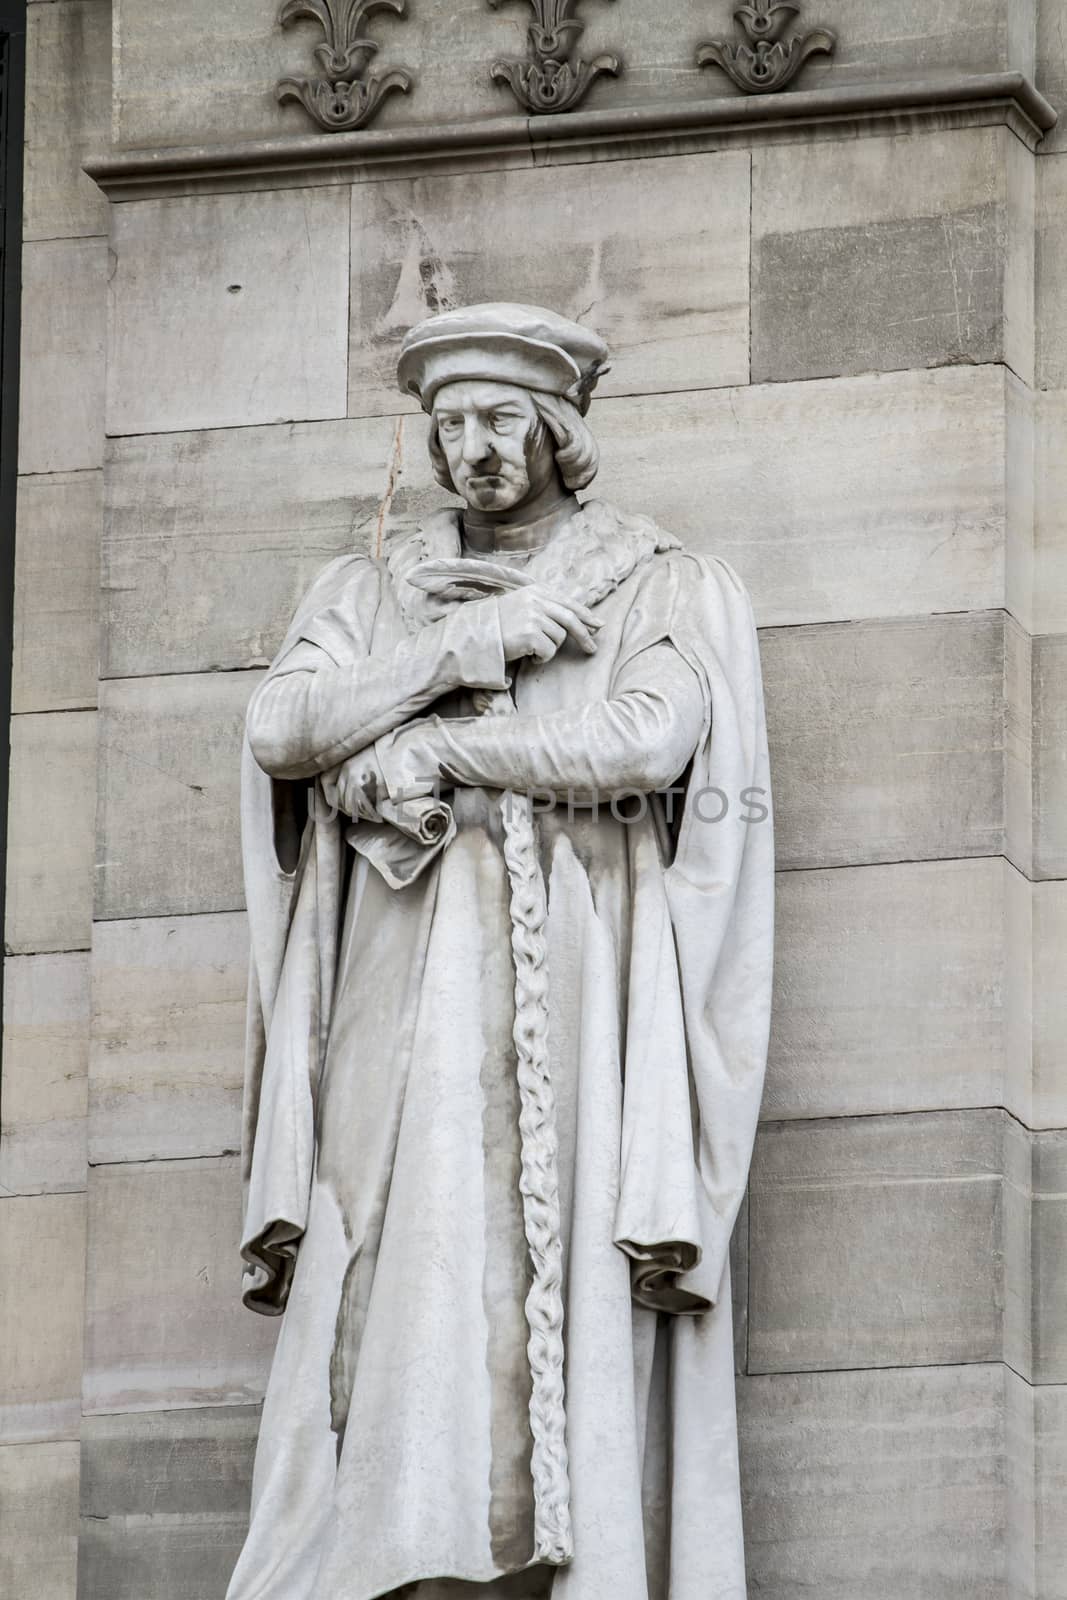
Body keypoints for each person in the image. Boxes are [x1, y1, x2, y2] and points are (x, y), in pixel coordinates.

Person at [229, 303, 773, 1600]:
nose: (474, 448)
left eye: (502, 421)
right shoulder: (373, 590)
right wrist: (452, 657)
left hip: (576, 995)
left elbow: (645, 740)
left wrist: (448, 750)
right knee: (396, 1269)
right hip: (401, 998)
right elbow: (282, 725)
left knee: (553, 1273)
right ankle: (383, 1547)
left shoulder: (650, 581)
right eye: (451, 424)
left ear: (558, 433)